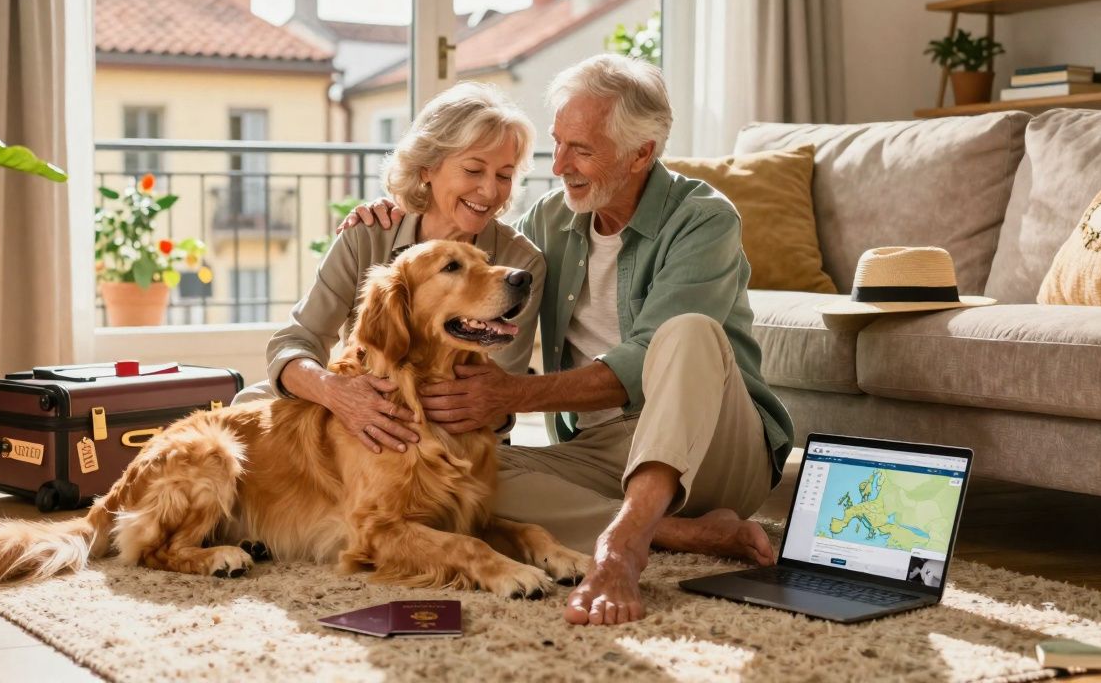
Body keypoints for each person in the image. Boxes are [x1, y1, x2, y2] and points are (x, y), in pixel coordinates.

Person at [341, 54, 794, 626]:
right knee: (462, 483)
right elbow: (473, 265)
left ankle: (625, 544)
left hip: (714, 448)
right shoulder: (551, 221)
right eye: (556, 144)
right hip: (601, 451)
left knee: (686, 334)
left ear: (641, 153)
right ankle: (677, 530)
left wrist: (512, 395)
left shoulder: (704, 219)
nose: (558, 165)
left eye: (580, 149)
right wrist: (401, 211)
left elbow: (640, 362)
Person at [232, 82, 545, 454]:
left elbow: (498, 390)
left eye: (504, 175)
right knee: (248, 408)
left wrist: (406, 412)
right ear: (427, 168)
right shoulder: (368, 234)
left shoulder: (521, 265)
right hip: (362, 395)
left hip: (454, 426)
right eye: (474, 170)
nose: (490, 191)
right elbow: (295, 341)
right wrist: (338, 393)